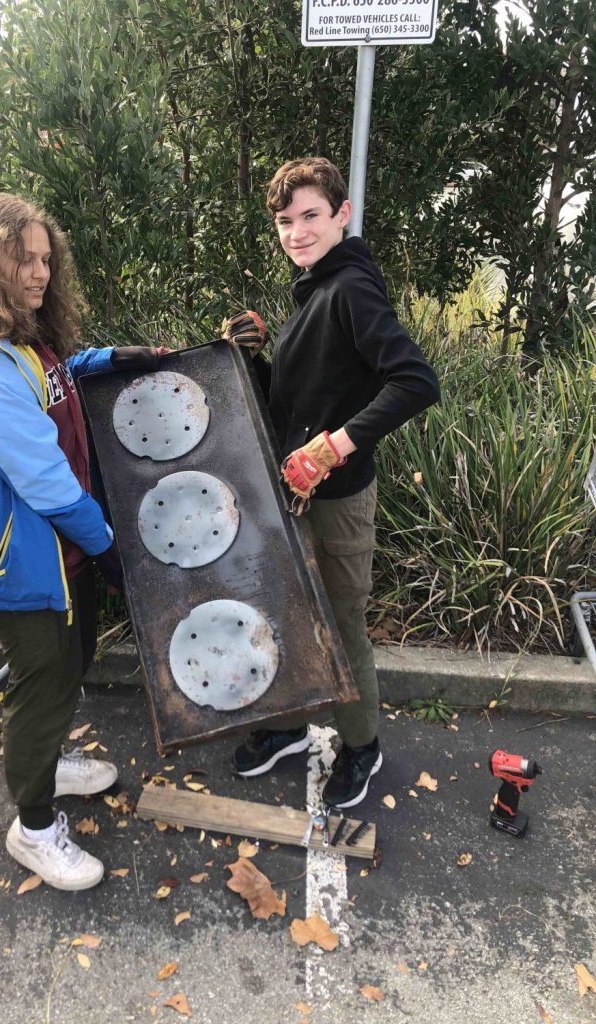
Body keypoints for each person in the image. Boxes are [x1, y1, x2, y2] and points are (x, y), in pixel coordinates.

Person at [0, 193, 164, 890]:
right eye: (22, 258)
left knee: (75, 654)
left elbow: (51, 382)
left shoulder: (19, 339)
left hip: (59, 546)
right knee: (45, 677)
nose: (39, 272)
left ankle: (50, 760)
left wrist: (108, 359)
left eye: (46, 258)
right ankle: (32, 824)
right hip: (19, 556)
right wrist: (114, 550)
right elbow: (46, 482)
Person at [225, 158, 440, 809]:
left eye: (311, 216)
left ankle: (362, 746)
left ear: (342, 214)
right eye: (286, 221)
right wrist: (255, 359)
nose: (297, 231)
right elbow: (296, 405)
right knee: (291, 613)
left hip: (338, 501)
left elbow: (415, 381)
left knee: (342, 625)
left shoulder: (350, 289)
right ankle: (291, 726)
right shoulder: (315, 291)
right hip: (293, 495)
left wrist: (336, 446)